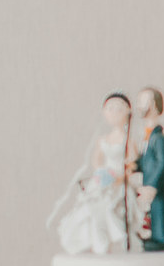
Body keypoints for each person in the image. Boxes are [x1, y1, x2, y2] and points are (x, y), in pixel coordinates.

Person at [51, 92, 138, 254]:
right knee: (91, 208)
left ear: (127, 112)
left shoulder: (128, 141)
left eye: (118, 109)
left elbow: (132, 164)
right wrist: (101, 172)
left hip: (118, 182)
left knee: (110, 210)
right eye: (109, 109)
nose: (113, 113)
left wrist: (120, 177)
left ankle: (112, 242)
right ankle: (99, 243)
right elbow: (97, 159)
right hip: (103, 179)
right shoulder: (102, 139)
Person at [134, 87, 164, 251]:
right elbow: (145, 161)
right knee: (152, 212)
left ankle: (161, 239)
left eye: (143, 101)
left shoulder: (158, 138)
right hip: (148, 184)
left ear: (153, 105)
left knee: (160, 211)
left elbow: (162, 163)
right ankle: (155, 236)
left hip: (158, 186)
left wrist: (153, 185)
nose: (139, 106)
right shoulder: (147, 136)